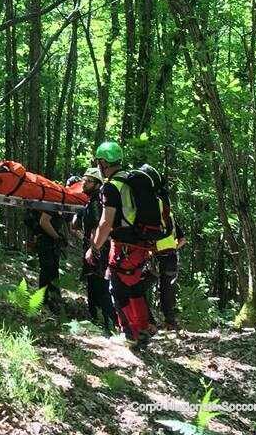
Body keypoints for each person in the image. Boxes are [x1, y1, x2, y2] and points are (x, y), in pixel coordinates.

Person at [86, 140, 158, 349]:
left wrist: (95, 247)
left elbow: (106, 222)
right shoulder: (130, 180)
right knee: (133, 286)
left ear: (102, 162)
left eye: (98, 161)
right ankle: (142, 329)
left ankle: (130, 335)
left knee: (117, 288)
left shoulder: (111, 187)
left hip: (124, 245)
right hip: (141, 243)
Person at [142, 164, 185, 330]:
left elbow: (181, 238)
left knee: (141, 287)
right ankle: (169, 322)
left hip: (156, 255)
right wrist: (173, 247)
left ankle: (152, 321)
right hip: (169, 256)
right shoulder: (170, 216)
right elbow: (182, 239)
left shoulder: (152, 212)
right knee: (167, 291)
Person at [74, 167, 115, 333]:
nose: (84, 183)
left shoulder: (97, 201)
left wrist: (94, 248)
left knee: (101, 286)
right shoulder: (91, 201)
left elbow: (98, 227)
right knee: (92, 284)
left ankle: (109, 324)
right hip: (93, 248)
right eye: (84, 180)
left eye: (88, 181)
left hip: (99, 250)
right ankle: (96, 321)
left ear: (97, 184)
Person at [28, 198, 68, 315]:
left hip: (51, 243)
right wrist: (57, 237)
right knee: (47, 270)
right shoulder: (53, 204)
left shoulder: (61, 206)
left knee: (53, 270)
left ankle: (54, 300)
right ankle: (42, 301)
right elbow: (44, 221)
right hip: (46, 242)